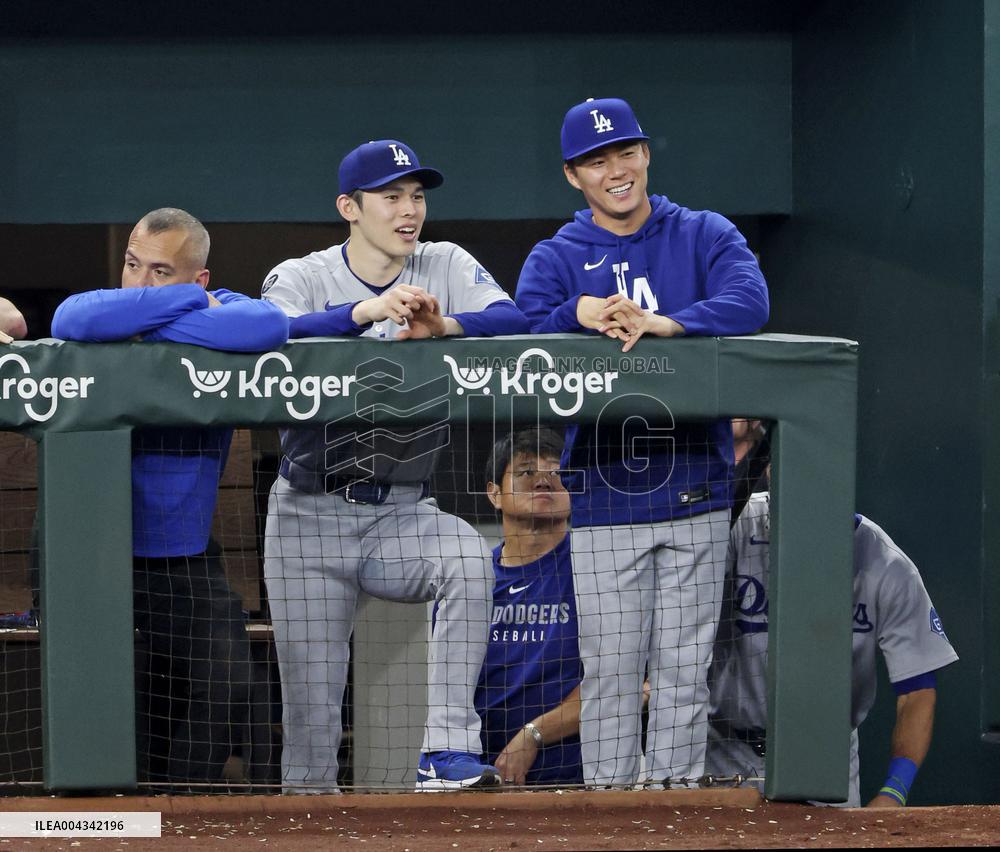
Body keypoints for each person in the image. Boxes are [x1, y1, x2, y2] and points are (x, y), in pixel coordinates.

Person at [514, 96, 769, 786]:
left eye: (626, 152)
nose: (616, 170)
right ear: (574, 175)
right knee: (612, 676)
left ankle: (675, 812)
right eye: (597, 161)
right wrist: (579, 310)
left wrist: (669, 324)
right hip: (604, 493)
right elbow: (521, 330)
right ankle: (611, 816)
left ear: (647, 154)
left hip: (695, 485)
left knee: (685, 676)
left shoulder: (702, 232)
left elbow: (752, 301)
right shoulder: (558, 255)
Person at [261, 139, 530, 792]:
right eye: (391, 197)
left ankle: (444, 749)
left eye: (416, 196)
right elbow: (268, 329)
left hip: (403, 512)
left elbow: (514, 317)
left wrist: (448, 328)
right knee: (312, 721)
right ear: (349, 207)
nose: (409, 210)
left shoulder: (443, 262)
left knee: (467, 558)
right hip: (308, 518)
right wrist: (363, 313)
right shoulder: (304, 272)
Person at [51, 207, 289, 785]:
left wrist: (139, 322)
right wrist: (174, 308)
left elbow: (267, 328)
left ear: (199, 279)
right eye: (133, 266)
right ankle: (116, 823)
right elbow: (68, 318)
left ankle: (180, 812)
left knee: (229, 682)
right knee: (116, 704)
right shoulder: (108, 310)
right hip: (92, 558)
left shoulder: (222, 306)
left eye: (161, 272)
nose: (139, 283)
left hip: (184, 559)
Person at [707, 490, 959, 807]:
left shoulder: (885, 563)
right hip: (724, 756)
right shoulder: (738, 524)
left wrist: (895, 791)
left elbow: (917, 690)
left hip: (822, 760)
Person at [477, 427, 582, 786]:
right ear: (494, 493)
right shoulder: (469, 579)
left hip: (581, 780)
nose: (544, 482)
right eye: (526, 472)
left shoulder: (597, 568)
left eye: (558, 472)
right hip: (487, 779)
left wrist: (534, 734)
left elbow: (634, 682)